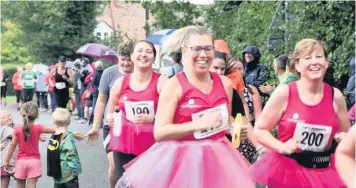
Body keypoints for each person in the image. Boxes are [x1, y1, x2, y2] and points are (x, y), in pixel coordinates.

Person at [115, 26, 254, 188]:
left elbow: (226, 118)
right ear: (185, 51)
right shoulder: (173, 85)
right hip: (181, 160)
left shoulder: (226, 84)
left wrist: (234, 128)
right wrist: (198, 125)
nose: (203, 54)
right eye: (197, 49)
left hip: (218, 157)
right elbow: (160, 132)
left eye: (208, 49)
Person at [250, 39, 350, 188]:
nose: (314, 62)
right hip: (289, 171)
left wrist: (344, 138)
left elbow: (347, 137)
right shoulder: (285, 92)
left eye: (319, 57)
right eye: (308, 58)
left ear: (326, 62)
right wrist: (280, 146)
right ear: (296, 64)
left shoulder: (335, 97)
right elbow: (260, 130)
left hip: (324, 172)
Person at [106, 40, 168, 180]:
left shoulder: (162, 82)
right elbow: (111, 111)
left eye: (148, 51)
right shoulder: (120, 84)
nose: (143, 55)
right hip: (125, 143)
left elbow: (173, 114)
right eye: (139, 51)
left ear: (154, 58)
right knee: (126, 182)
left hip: (153, 144)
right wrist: (110, 118)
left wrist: (153, 119)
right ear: (132, 57)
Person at [86, 42, 134, 188]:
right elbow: (101, 101)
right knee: (114, 165)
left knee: (132, 168)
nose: (125, 63)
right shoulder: (109, 73)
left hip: (134, 127)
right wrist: (95, 126)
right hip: (112, 126)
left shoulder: (141, 73)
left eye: (129, 60)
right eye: (122, 59)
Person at [210, 51, 265, 163]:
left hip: (225, 148)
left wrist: (259, 147)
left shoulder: (232, 92)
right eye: (215, 68)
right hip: (199, 149)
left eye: (222, 69)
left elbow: (243, 120)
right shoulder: (193, 90)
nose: (219, 72)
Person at [4, 102, 56, 188]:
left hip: (21, 162)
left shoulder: (17, 130)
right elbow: (55, 130)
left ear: (22, 114)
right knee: (32, 185)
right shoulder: (39, 128)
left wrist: (7, 161)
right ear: (36, 115)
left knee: (19, 185)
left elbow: (12, 146)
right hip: (34, 162)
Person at [47, 108, 83, 188]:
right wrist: (76, 168)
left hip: (57, 170)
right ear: (70, 122)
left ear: (54, 122)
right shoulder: (68, 136)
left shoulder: (54, 135)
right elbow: (71, 153)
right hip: (68, 173)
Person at [229, 57, 262, 124]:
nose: (237, 71)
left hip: (249, 125)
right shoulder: (224, 89)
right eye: (234, 69)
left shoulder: (251, 90)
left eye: (240, 69)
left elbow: (258, 115)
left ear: (244, 71)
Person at [0, 111, 17, 188]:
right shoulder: (6, 129)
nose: (7, 117)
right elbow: (17, 133)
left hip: (6, 160)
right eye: (3, 117)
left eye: (9, 115)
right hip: (7, 160)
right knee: (20, 179)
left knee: (5, 181)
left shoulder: (10, 127)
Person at [88, 61, 104, 125]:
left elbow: (93, 82)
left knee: (94, 106)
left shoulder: (95, 73)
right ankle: (101, 121)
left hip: (96, 91)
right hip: (103, 90)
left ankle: (91, 120)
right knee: (103, 106)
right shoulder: (104, 72)